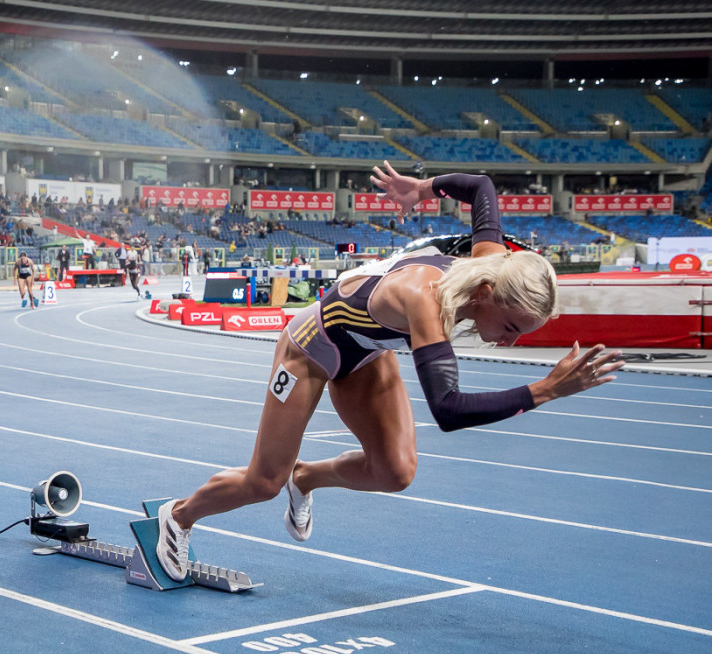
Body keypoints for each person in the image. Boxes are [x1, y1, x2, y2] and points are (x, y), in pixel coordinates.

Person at [154, 163, 626, 582]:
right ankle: (178, 516)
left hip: (366, 351)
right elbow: (448, 410)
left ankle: (307, 478)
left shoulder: (492, 262)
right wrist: (546, 389)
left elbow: (481, 186)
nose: (510, 342)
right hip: (310, 348)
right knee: (262, 482)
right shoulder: (425, 300)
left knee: (395, 472)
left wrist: (422, 188)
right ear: (485, 294)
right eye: (509, 328)